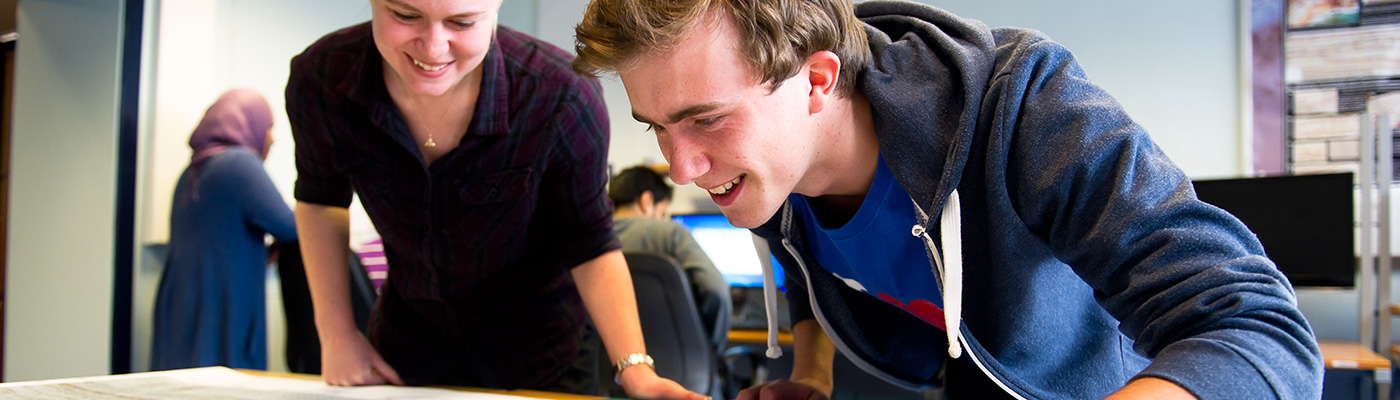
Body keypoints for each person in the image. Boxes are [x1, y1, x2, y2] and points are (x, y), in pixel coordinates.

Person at [572, 1, 1323, 399]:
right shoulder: (768, 174)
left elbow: (1259, 328)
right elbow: (804, 268)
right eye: (657, 127)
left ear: (819, 80)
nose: (680, 167)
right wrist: (813, 377)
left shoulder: (1026, 106)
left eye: (705, 119)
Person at [284, 1, 702, 398]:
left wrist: (636, 369)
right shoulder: (321, 78)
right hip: (408, 348)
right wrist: (336, 333)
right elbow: (321, 199)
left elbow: (591, 243)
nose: (432, 47)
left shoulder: (560, 97)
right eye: (405, 14)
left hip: (543, 356)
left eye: (462, 22)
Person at [151, 88, 298, 371]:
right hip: (223, 304)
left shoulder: (191, 170)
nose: (272, 138)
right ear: (248, 123)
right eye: (269, 127)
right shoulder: (240, 164)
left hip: (184, 303)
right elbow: (291, 226)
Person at [609, 165, 732, 354]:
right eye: (662, 211)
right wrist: (710, 348)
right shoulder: (670, 234)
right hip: (679, 367)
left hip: (609, 366)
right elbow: (716, 291)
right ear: (647, 201)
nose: (662, 218)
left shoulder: (588, 239)